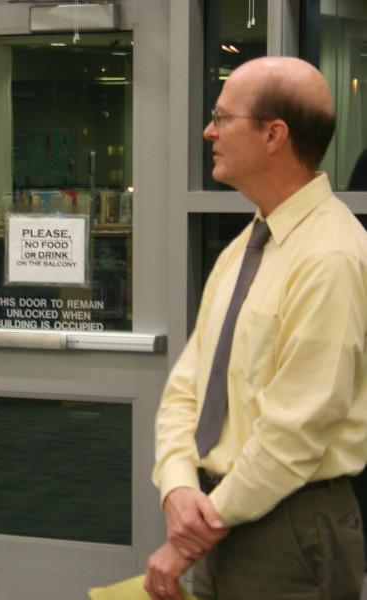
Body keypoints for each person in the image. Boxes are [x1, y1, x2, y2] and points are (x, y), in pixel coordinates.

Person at [146, 57, 367, 600]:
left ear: (274, 135)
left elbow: (296, 431)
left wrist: (190, 537)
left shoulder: (331, 257)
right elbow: (188, 388)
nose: (209, 131)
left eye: (222, 116)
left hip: (290, 528)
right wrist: (177, 484)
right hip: (223, 518)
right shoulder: (247, 246)